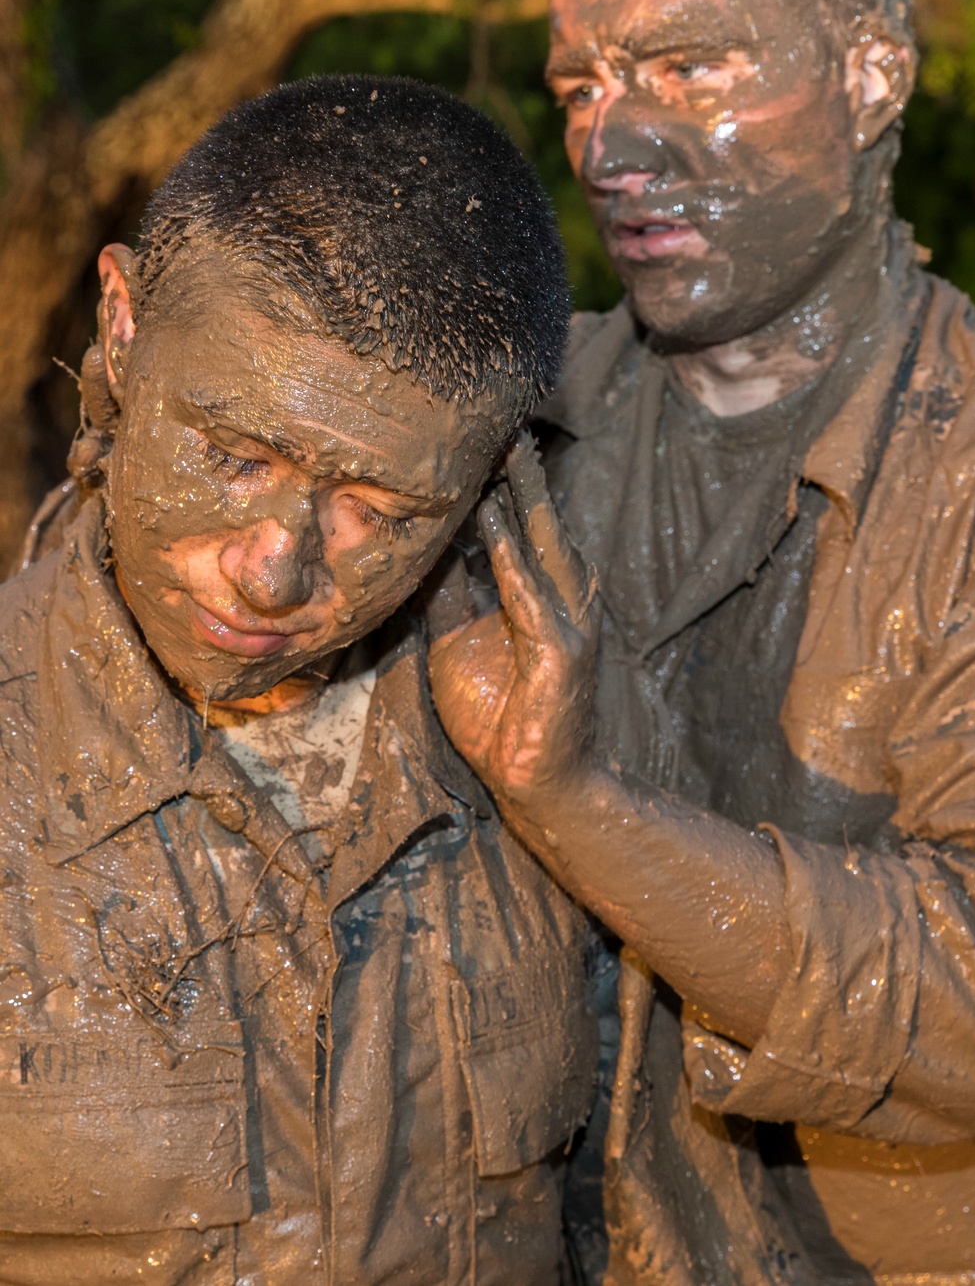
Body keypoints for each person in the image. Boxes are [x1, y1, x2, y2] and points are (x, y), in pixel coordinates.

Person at [430, 0, 975, 1286]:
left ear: (871, 80)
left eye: (692, 68)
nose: (612, 142)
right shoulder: (506, 432)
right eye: (582, 83)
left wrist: (580, 806)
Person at [0, 73, 597, 1285]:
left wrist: (582, 805)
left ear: (495, 478)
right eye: (229, 454)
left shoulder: (556, 756)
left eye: (380, 509)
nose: (274, 572)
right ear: (120, 323)